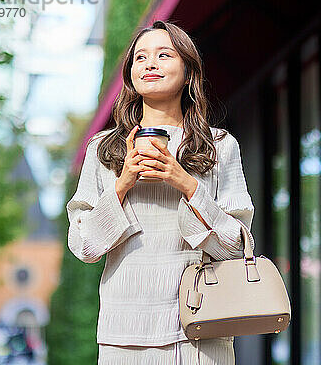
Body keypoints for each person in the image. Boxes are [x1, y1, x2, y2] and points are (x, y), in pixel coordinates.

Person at [66, 20, 255, 365]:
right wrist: (122, 183)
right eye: (140, 58)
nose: (150, 64)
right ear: (131, 76)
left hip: (199, 328)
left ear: (188, 72)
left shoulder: (219, 147)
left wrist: (184, 181)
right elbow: (84, 246)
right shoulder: (103, 149)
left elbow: (236, 247)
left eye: (163, 54)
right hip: (123, 331)